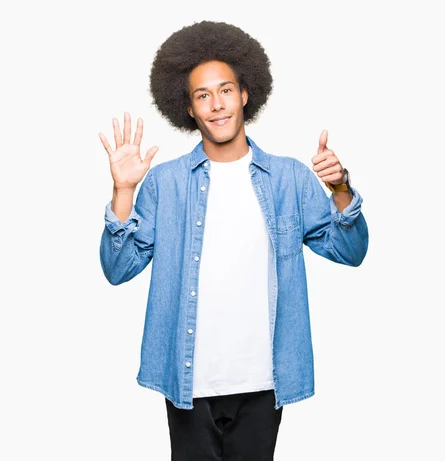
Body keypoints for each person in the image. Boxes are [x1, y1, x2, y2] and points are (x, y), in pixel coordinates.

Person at [99, 20, 368, 460]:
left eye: (225, 90)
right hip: (188, 382)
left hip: (264, 382)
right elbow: (117, 268)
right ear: (188, 108)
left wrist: (340, 190)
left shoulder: (289, 179)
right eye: (202, 95)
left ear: (245, 94)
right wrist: (124, 192)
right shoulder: (164, 184)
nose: (217, 105)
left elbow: (351, 252)